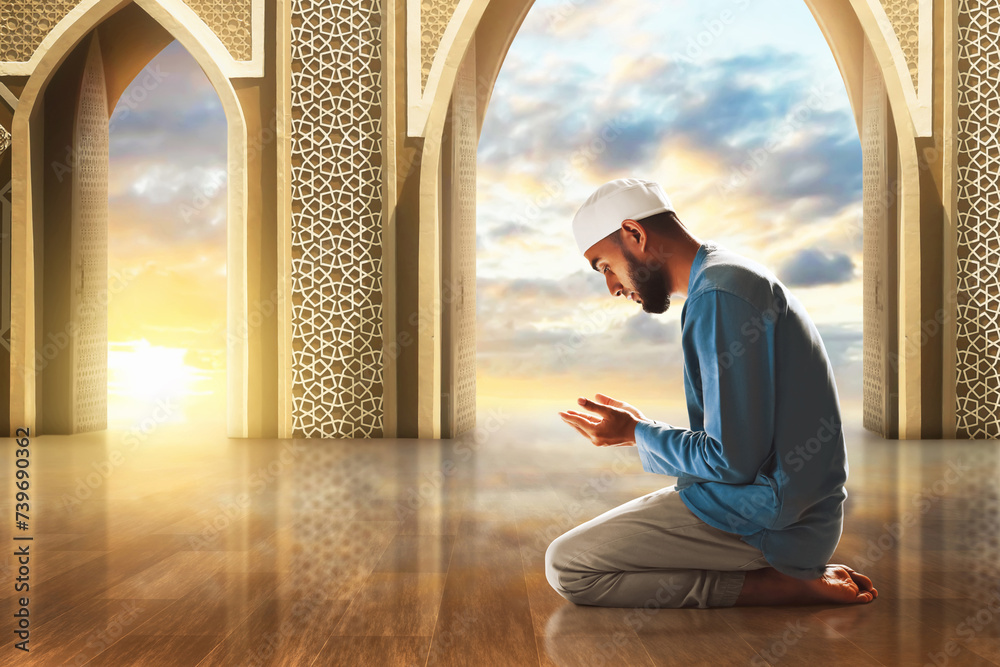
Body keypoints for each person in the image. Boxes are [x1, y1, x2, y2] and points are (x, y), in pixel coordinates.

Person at [549, 178, 877, 608]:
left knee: (568, 567)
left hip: (771, 520)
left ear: (634, 234)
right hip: (781, 509)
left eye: (604, 265)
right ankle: (788, 570)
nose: (611, 287)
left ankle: (778, 583)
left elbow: (732, 460)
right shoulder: (728, 277)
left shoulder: (720, 295)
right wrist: (639, 431)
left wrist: (636, 434)